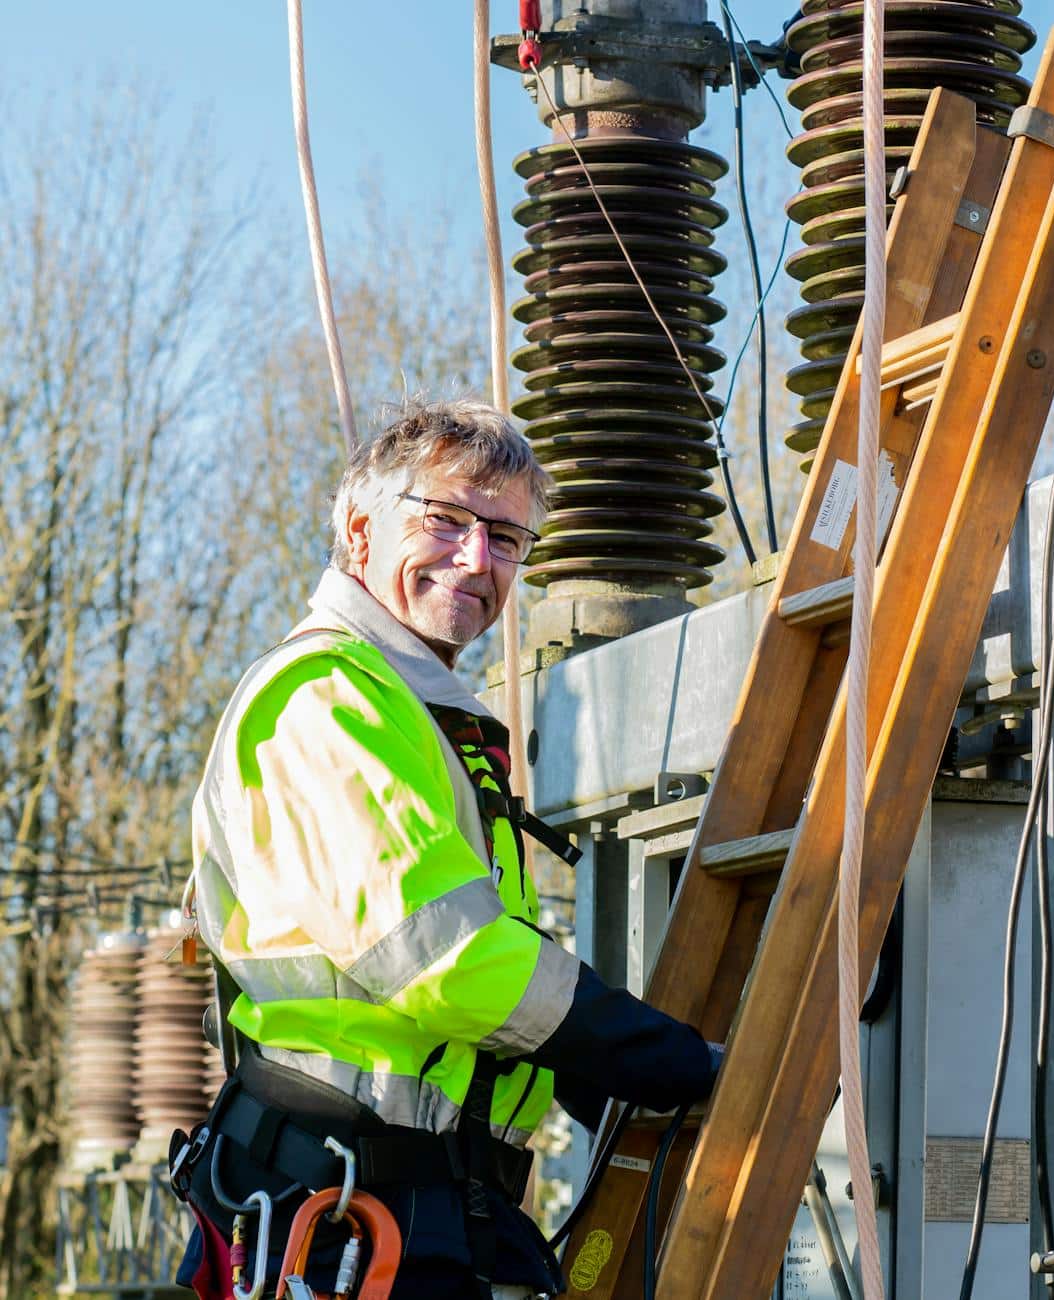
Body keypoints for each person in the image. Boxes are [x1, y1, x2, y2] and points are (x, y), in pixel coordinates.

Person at [172, 399, 717, 1299]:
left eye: (506, 539)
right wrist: (644, 1054)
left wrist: (578, 1069)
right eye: (447, 521)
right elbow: (445, 958)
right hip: (346, 1204)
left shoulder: (410, 711)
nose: (476, 560)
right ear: (358, 530)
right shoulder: (330, 702)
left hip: (416, 1200)